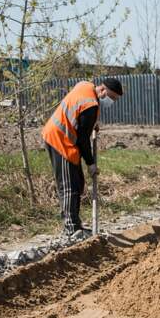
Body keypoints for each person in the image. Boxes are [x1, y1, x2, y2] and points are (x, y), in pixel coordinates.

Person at [42, 78, 124, 237]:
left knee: (77, 182)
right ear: (102, 90)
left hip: (65, 138)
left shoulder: (85, 86)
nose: (112, 101)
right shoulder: (91, 106)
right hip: (60, 139)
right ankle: (70, 228)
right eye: (112, 97)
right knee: (69, 186)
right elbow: (82, 139)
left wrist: (90, 123)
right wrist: (91, 164)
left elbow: (80, 114)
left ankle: (76, 225)